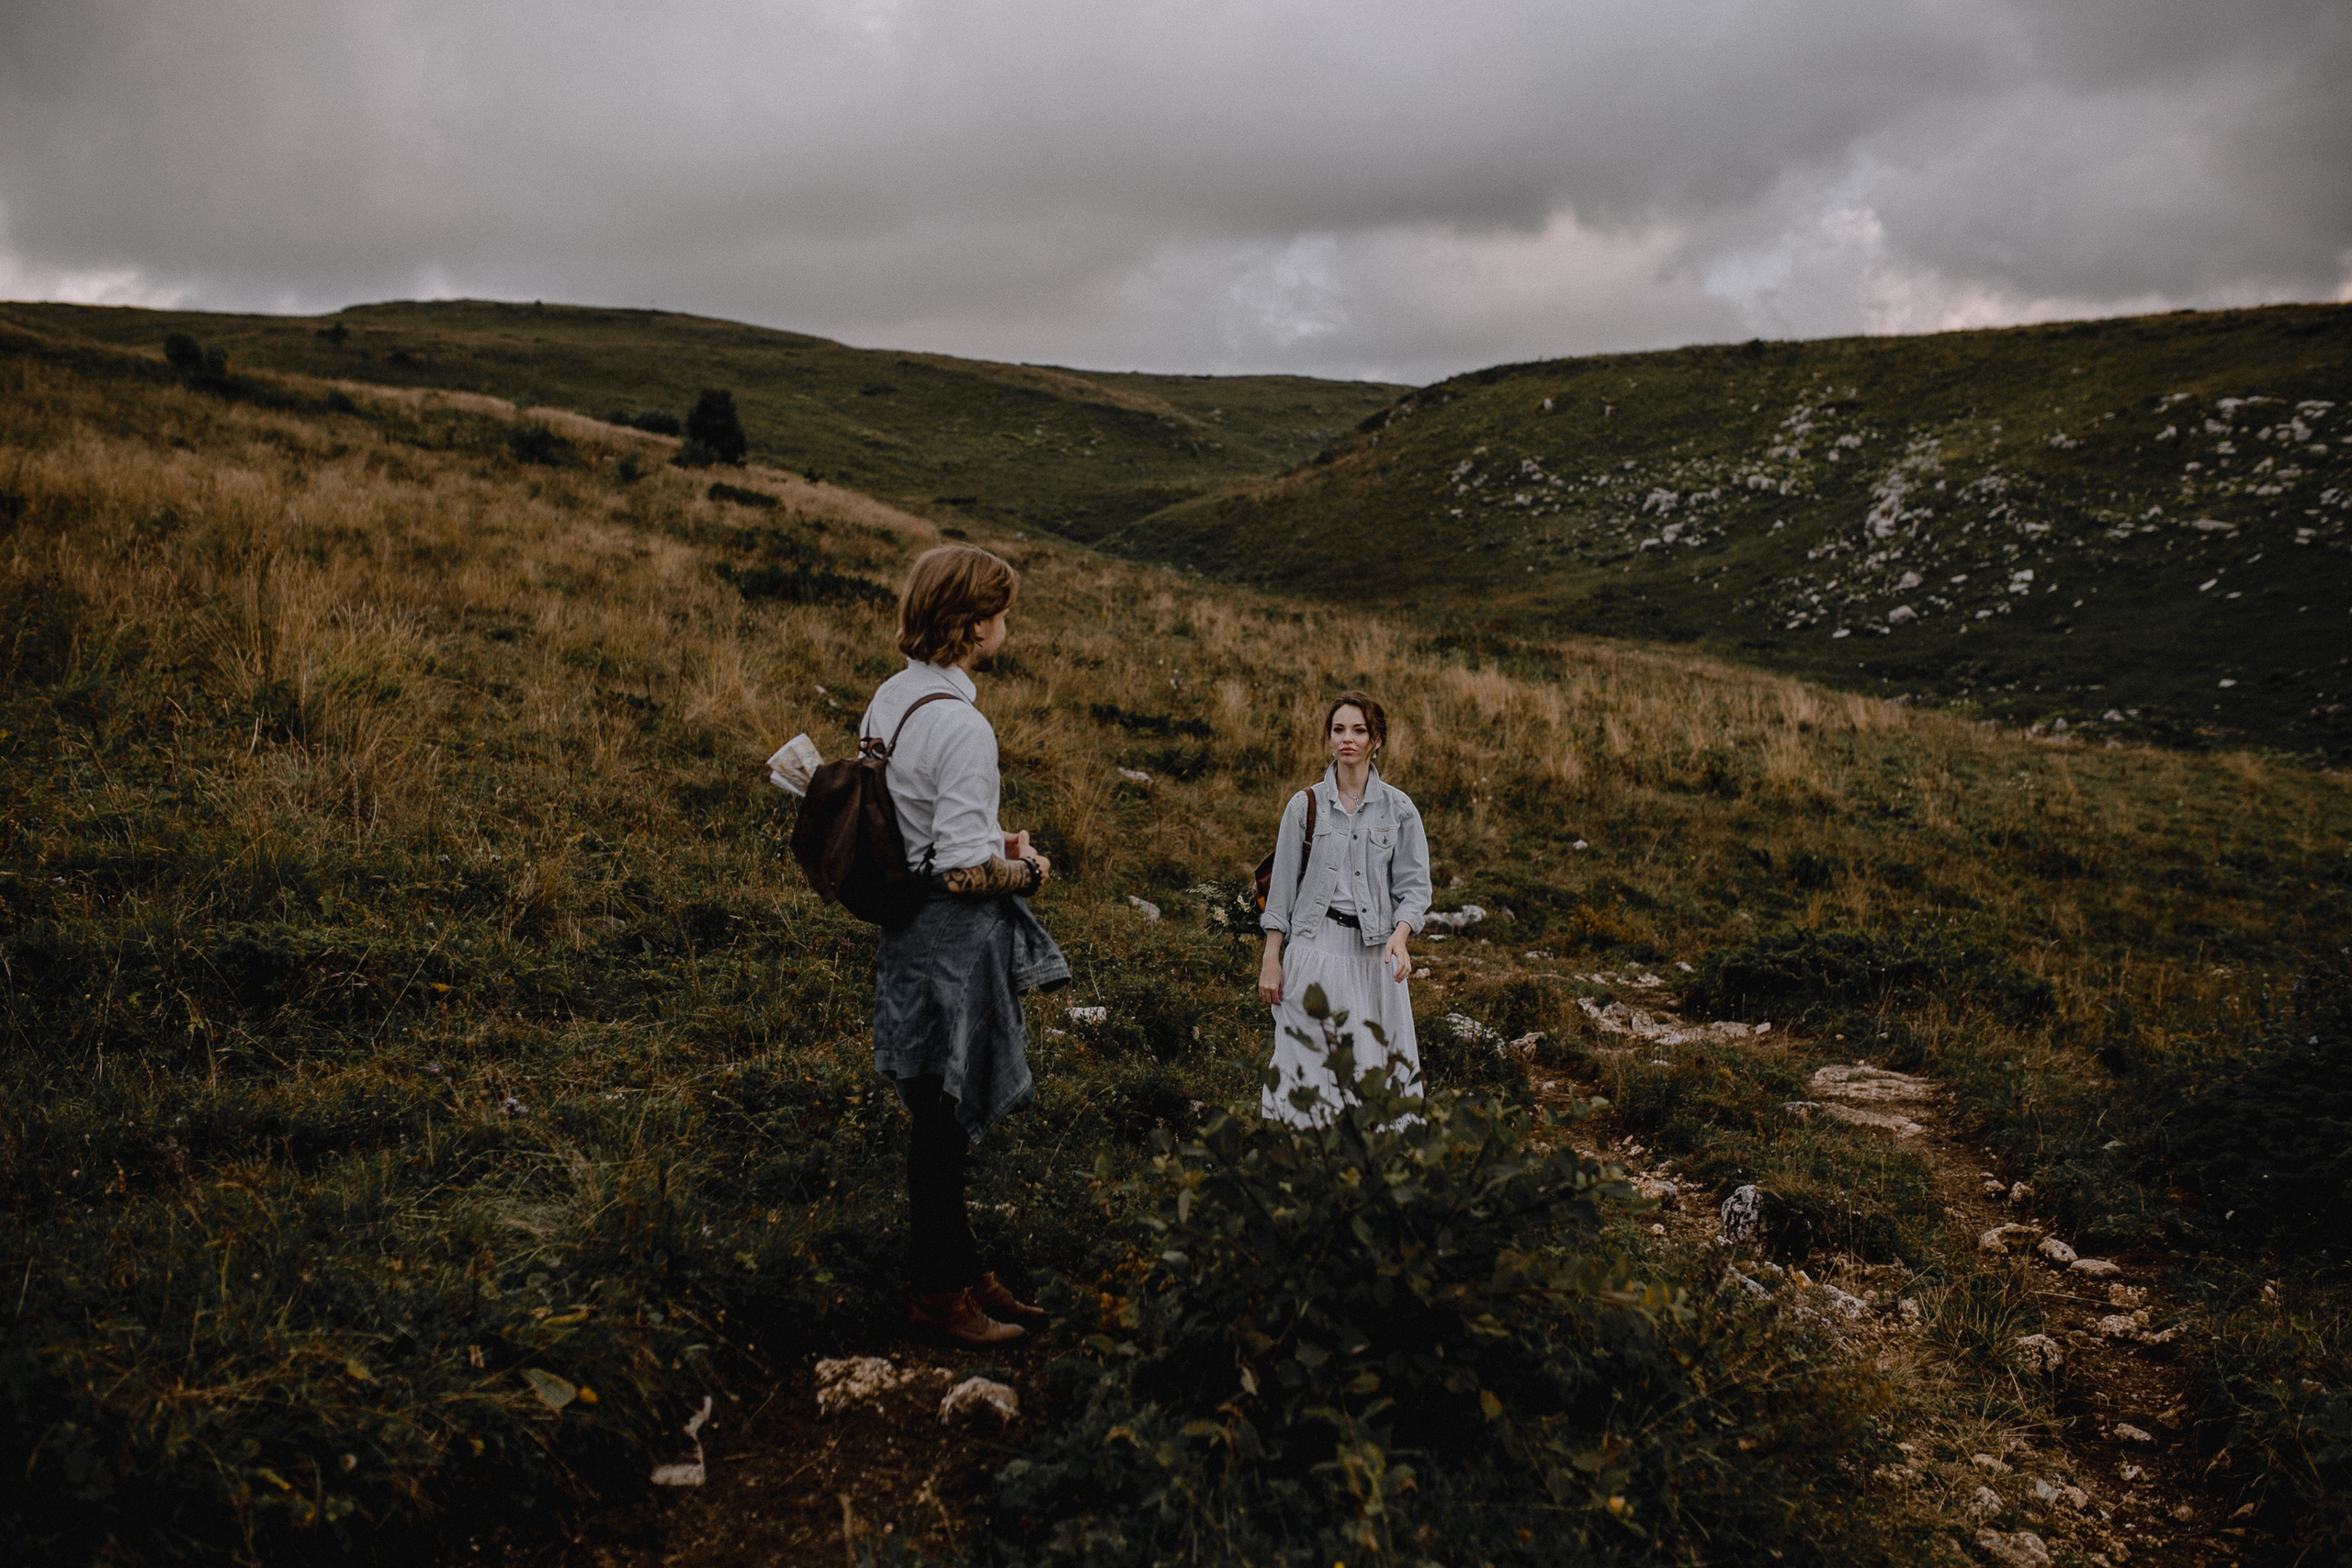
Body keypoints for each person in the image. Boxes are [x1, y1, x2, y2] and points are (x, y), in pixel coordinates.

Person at [863, 543, 1069, 1345]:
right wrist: (1028, 871)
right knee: (943, 1119)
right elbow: (960, 873)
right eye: (1003, 611)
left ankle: (961, 1267)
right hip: (949, 941)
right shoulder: (964, 726)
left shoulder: (893, 699)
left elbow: (918, 818)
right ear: (975, 624)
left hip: (903, 930)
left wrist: (990, 835)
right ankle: (937, 1294)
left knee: (934, 1107)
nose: (1008, 623)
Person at [1256, 690, 1431, 1126]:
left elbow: (1414, 888)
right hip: (1314, 948)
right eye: (1338, 730)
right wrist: (1271, 959)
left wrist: (1401, 934)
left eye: (1359, 730)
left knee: (1374, 1064)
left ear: (1377, 740)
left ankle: (1372, 1158)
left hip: (1374, 956)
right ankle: (1303, 1153)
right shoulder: (1305, 806)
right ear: (1329, 737)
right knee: (1305, 1061)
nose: (1347, 739)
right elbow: (1281, 893)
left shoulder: (1399, 809)